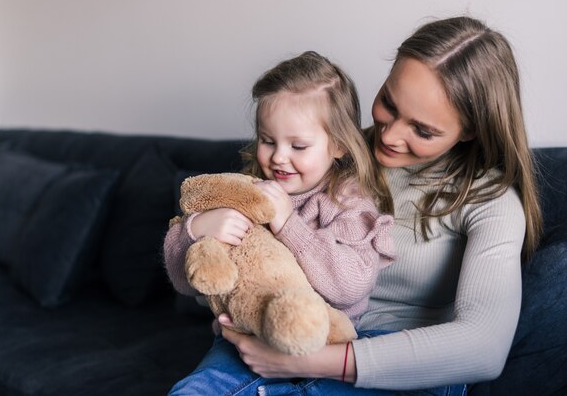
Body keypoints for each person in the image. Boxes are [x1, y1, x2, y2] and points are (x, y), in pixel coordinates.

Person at [211, 16, 544, 395]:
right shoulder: (325, 151)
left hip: (397, 368)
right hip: (289, 335)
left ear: (470, 130)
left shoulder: (490, 199)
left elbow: (485, 348)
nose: (389, 134)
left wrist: (312, 361)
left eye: (422, 130)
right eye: (388, 102)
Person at [164, 51, 398, 394]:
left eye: (299, 145)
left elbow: (350, 286)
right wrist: (197, 229)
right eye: (267, 140)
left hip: (321, 346)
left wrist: (288, 222)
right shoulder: (246, 190)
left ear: (338, 145)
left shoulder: (346, 203)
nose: (278, 157)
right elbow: (184, 282)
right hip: (243, 339)